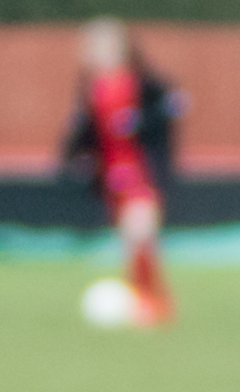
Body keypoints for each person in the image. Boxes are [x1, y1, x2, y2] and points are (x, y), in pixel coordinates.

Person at [61, 17, 179, 326]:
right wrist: (76, 156)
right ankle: (144, 300)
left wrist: (142, 121)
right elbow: (86, 133)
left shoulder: (141, 83)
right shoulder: (93, 89)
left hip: (141, 172)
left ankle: (155, 302)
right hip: (112, 176)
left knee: (141, 232)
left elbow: (164, 114)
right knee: (131, 240)